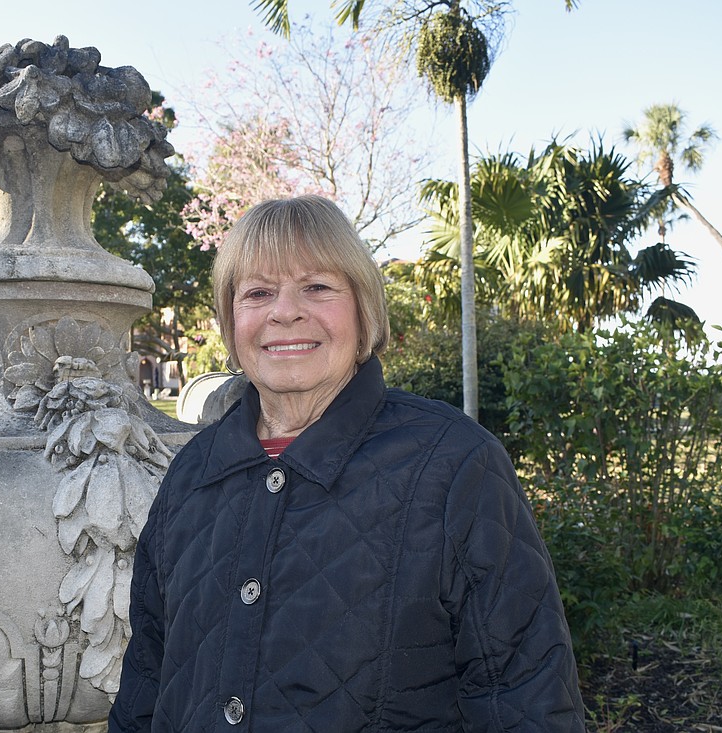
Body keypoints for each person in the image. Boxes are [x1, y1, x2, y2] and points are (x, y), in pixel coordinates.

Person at [108, 195, 584, 731]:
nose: (284, 311)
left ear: (363, 311)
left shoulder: (454, 465)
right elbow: (147, 680)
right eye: (259, 292)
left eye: (317, 287)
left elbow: (523, 695)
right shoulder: (190, 474)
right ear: (231, 321)